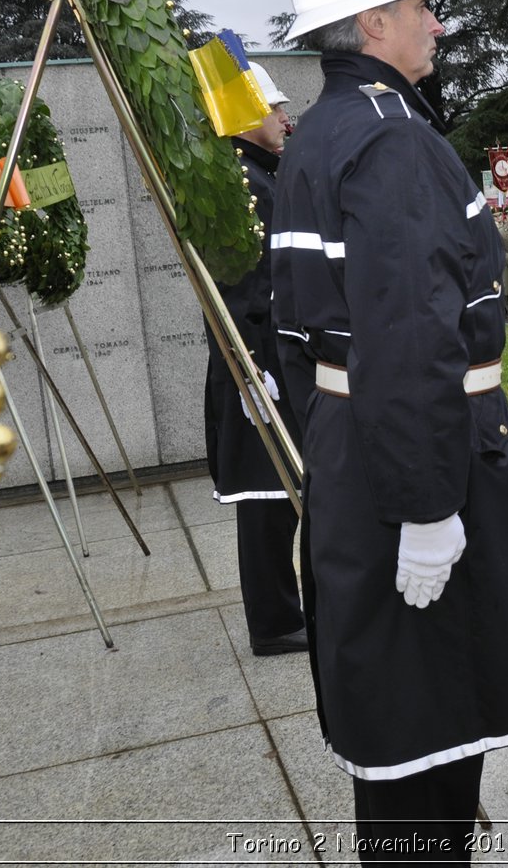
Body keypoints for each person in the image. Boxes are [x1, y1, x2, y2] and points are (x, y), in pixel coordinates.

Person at [270, 0, 508, 862]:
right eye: (418, 8)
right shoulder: (392, 142)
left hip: (365, 449)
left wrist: (342, 444)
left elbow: (300, 336)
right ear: (370, 26)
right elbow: (408, 341)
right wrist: (431, 505)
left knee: (406, 739)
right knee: (425, 750)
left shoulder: (321, 133)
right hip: (424, 458)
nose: (436, 23)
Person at [203, 62, 306, 657]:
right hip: (258, 362)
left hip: (271, 357)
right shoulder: (242, 184)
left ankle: (284, 612)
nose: (285, 119)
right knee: (268, 500)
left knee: (282, 495)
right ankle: (274, 622)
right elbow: (241, 286)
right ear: (244, 118)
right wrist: (249, 369)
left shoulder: (261, 175)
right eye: (274, 109)